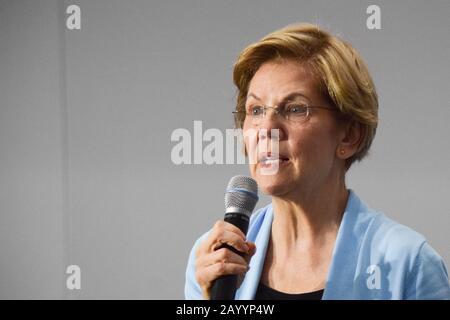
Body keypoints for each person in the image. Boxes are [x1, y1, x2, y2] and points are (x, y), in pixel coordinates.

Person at [184, 23, 450, 299]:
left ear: (349, 136)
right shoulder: (214, 260)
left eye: (296, 109)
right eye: (256, 110)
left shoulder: (408, 265)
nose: (266, 129)